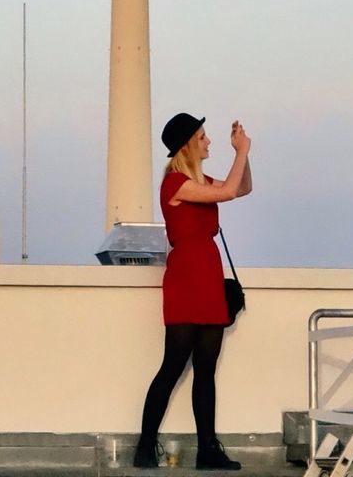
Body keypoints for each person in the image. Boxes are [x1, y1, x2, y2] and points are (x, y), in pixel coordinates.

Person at [134, 112, 252, 471]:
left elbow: (242, 187)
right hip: (187, 276)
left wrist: (242, 155)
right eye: (202, 136)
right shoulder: (174, 183)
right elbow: (230, 192)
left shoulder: (199, 179)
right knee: (172, 365)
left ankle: (207, 448)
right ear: (187, 144)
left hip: (207, 272)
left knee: (205, 368)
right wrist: (241, 151)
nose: (208, 141)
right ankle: (144, 446)